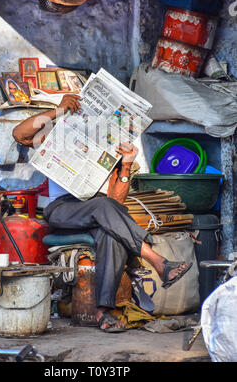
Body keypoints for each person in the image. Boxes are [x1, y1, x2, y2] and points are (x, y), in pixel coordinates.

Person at [13, 94, 192, 333]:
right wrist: (58, 111)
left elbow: (116, 202)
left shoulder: (112, 149)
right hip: (62, 209)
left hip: (99, 211)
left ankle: (102, 310)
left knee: (111, 232)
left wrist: (126, 164)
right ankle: (156, 260)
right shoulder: (55, 134)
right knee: (104, 208)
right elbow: (19, 134)